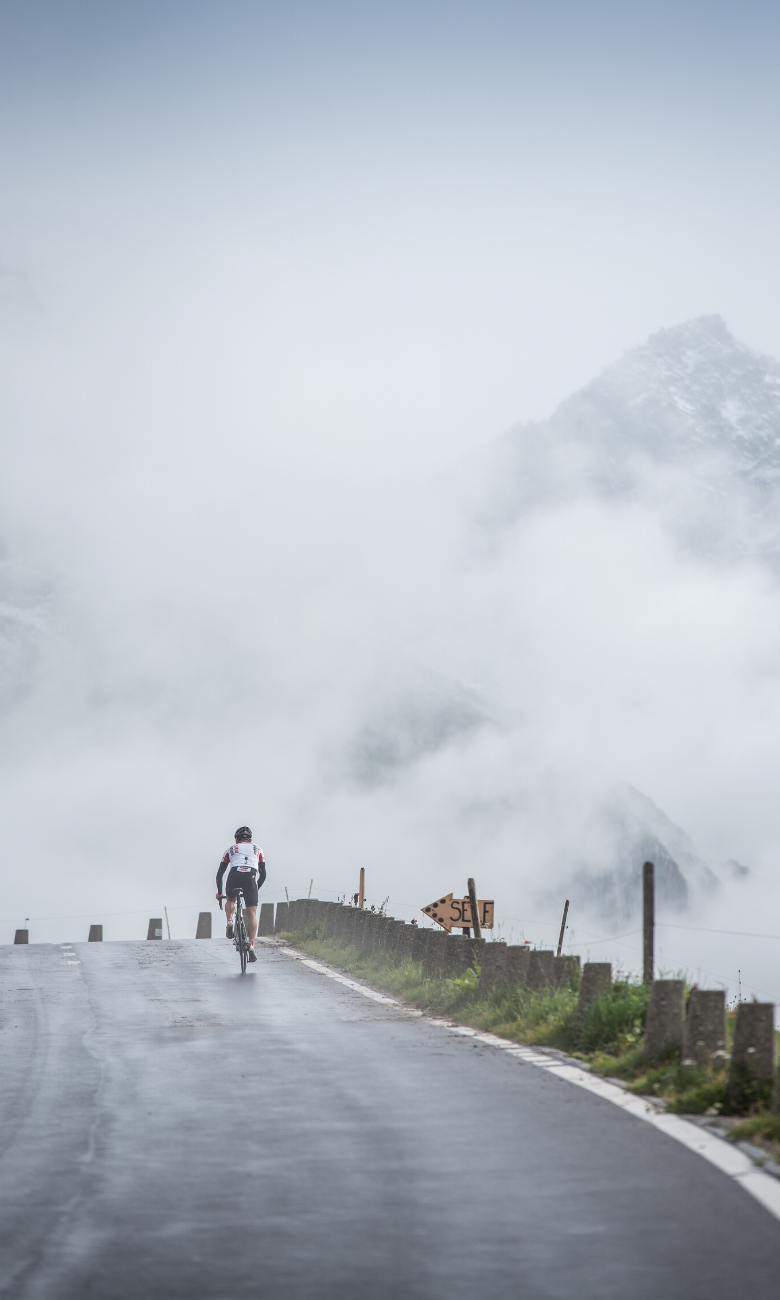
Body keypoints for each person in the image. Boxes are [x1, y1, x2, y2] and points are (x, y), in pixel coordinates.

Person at [216, 826, 266, 963]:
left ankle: (230, 921)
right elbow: (263, 874)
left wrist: (220, 893)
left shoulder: (231, 849)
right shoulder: (258, 849)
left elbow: (220, 873)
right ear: (250, 839)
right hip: (250, 878)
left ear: (236, 839)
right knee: (252, 912)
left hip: (234, 875)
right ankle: (251, 945)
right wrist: (255, 889)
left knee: (230, 900)